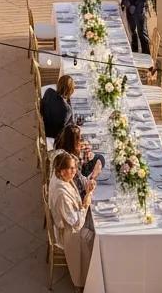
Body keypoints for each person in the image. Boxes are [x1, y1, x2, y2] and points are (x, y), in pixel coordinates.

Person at [47, 151, 96, 289]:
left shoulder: (61, 179)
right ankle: (88, 278)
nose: (74, 172)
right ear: (61, 171)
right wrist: (86, 203)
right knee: (95, 239)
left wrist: (88, 188)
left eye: (75, 167)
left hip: (71, 221)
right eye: (71, 168)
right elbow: (76, 224)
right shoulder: (61, 193)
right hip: (69, 233)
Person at [40, 74, 75, 139]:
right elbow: (58, 133)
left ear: (58, 84)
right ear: (71, 90)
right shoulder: (67, 110)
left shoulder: (49, 92)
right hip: (45, 136)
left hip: (38, 124)